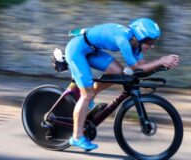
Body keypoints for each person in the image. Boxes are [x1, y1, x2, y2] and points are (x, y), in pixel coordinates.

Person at [65, 18, 179, 150]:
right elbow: (137, 69)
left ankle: (91, 96)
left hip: (92, 50)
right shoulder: (123, 41)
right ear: (139, 38)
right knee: (86, 95)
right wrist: (160, 61)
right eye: (149, 42)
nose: (152, 46)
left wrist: (162, 65)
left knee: (118, 73)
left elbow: (142, 67)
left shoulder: (135, 43)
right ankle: (76, 137)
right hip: (76, 50)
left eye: (154, 42)